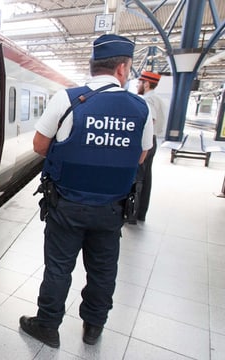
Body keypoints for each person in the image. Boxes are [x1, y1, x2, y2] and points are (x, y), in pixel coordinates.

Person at [19, 34, 153, 348]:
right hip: (111, 208)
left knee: (58, 267)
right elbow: (141, 156)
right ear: (123, 68)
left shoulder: (68, 99)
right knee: (103, 269)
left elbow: (39, 145)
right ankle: (93, 327)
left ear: (94, 66)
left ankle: (47, 326)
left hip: (66, 204)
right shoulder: (140, 107)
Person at [135, 71, 167, 222]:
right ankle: (141, 213)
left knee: (139, 178)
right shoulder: (158, 99)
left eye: (139, 83)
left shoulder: (148, 100)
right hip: (153, 141)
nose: (137, 85)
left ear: (146, 84)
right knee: (146, 177)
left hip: (147, 142)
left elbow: (151, 121)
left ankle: (133, 214)